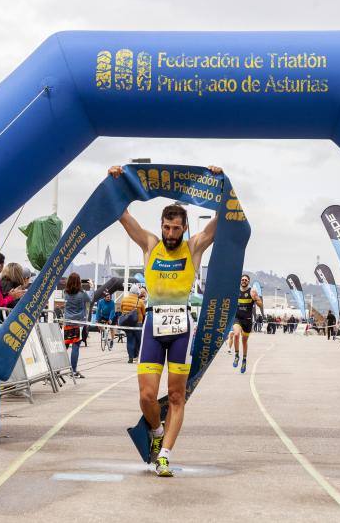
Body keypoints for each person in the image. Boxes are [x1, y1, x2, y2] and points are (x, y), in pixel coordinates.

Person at [109, 163, 220, 477]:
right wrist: (117, 180)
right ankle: (157, 435)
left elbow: (223, 216)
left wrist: (217, 181)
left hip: (182, 327)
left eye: (176, 229)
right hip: (153, 325)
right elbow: (121, 213)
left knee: (175, 396)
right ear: (161, 225)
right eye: (167, 228)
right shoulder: (150, 245)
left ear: (184, 228)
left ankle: (165, 456)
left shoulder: (193, 247)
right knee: (146, 396)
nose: (170, 234)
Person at [229, 274, 263, 373]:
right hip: (237, 318)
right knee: (236, 335)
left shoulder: (252, 291)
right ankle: (236, 356)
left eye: (246, 280)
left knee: (244, 341)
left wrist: (255, 299)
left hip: (247, 320)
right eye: (242, 279)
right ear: (240, 281)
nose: (244, 281)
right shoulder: (236, 291)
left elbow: (260, 304)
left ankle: (244, 359)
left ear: (248, 282)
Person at [62, 272, 90, 379]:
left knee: (65, 346)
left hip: (67, 322)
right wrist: (89, 288)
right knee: (75, 346)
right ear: (79, 282)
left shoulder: (66, 293)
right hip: (78, 324)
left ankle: (57, 369)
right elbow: (89, 299)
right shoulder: (82, 293)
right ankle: (73, 370)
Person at [119, 284, 146, 362]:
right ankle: (139, 356)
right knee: (139, 340)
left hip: (127, 323)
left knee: (130, 340)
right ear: (137, 292)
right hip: (138, 323)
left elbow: (122, 310)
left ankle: (130, 357)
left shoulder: (124, 299)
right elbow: (144, 313)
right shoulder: (140, 301)